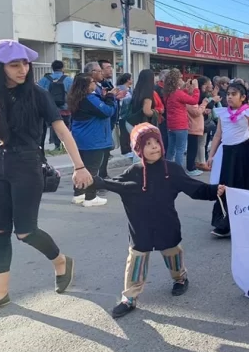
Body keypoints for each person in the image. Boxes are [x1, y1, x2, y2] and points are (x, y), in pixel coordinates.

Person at [0, 40, 92, 316]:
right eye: (15, 65)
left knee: (25, 232)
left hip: (28, 164)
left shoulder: (37, 94)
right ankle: (1, 293)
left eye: (25, 63)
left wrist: (80, 167)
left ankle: (60, 261)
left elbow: (62, 131)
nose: (23, 69)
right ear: (0, 68)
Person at [89, 123, 225, 318]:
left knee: (172, 253)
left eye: (157, 142)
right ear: (138, 149)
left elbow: (193, 187)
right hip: (140, 227)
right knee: (136, 259)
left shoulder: (172, 169)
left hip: (166, 224)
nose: (154, 147)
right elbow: (114, 184)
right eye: (148, 143)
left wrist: (213, 191)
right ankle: (130, 297)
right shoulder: (133, 172)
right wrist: (92, 180)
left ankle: (180, 278)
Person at [208, 81, 249, 238]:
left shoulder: (248, 113)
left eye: (233, 94)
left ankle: (241, 221)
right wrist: (211, 155)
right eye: (228, 94)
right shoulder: (223, 113)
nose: (229, 97)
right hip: (227, 152)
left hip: (243, 152)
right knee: (224, 184)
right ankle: (223, 221)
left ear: (243, 97)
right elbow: (218, 135)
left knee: (241, 185)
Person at [66, 73, 116, 207]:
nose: (95, 84)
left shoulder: (75, 98)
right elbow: (107, 111)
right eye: (93, 82)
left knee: (81, 167)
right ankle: (91, 197)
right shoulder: (90, 98)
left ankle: (78, 194)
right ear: (86, 85)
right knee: (92, 169)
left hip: (80, 137)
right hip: (93, 139)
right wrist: (111, 97)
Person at [163, 69, 200, 167]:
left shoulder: (168, 93)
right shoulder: (178, 93)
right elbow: (194, 100)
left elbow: (180, 95)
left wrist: (185, 87)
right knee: (180, 149)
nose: (182, 79)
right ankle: (178, 172)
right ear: (176, 80)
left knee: (171, 149)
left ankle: (167, 169)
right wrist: (196, 89)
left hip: (171, 125)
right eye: (180, 77)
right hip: (180, 125)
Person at [38, 60, 73, 149]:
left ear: (52, 68)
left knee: (53, 127)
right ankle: (65, 145)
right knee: (65, 126)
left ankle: (56, 145)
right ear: (62, 68)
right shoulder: (68, 79)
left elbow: (38, 92)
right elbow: (72, 93)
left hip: (49, 108)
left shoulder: (45, 79)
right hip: (65, 108)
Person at [186, 86, 211, 177]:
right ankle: (190, 168)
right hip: (192, 128)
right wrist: (204, 104)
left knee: (194, 148)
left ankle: (192, 166)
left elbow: (197, 111)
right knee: (192, 149)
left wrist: (204, 110)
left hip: (195, 127)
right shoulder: (189, 101)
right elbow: (195, 112)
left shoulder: (192, 100)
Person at [116, 72, 133, 155]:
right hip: (123, 115)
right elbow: (124, 103)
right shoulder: (122, 89)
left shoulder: (128, 89)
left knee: (127, 132)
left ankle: (128, 148)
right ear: (128, 80)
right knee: (124, 133)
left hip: (127, 115)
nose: (132, 80)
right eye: (131, 78)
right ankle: (125, 149)